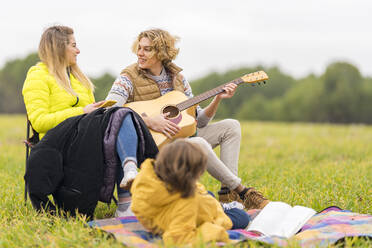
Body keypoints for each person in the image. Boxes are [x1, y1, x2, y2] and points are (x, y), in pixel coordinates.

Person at [105, 28, 269, 210]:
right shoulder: (127, 77)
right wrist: (149, 121)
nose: (140, 53)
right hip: (151, 148)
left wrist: (217, 99)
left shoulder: (179, 79)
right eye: (140, 48)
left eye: (147, 49)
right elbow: (110, 110)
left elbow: (200, 121)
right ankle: (243, 191)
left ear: (161, 52)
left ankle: (227, 194)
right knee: (197, 143)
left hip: (179, 139)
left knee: (231, 126)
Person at [22, 25, 147, 217]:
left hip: (86, 140)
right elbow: (38, 122)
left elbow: (88, 117)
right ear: (59, 47)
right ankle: (130, 189)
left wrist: (96, 110)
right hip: (59, 145)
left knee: (121, 114)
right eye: (73, 45)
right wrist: (82, 111)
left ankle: (127, 200)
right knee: (119, 115)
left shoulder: (79, 79)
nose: (78, 50)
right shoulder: (37, 76)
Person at [131, 139, 250, 245]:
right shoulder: (187, 201)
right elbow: (177, 238)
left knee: (209, 195)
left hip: (165, 211)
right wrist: (214, 232)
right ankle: (223, 208)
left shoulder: (145, 178)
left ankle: (219, 205)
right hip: (198, 215)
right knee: (242, 216)